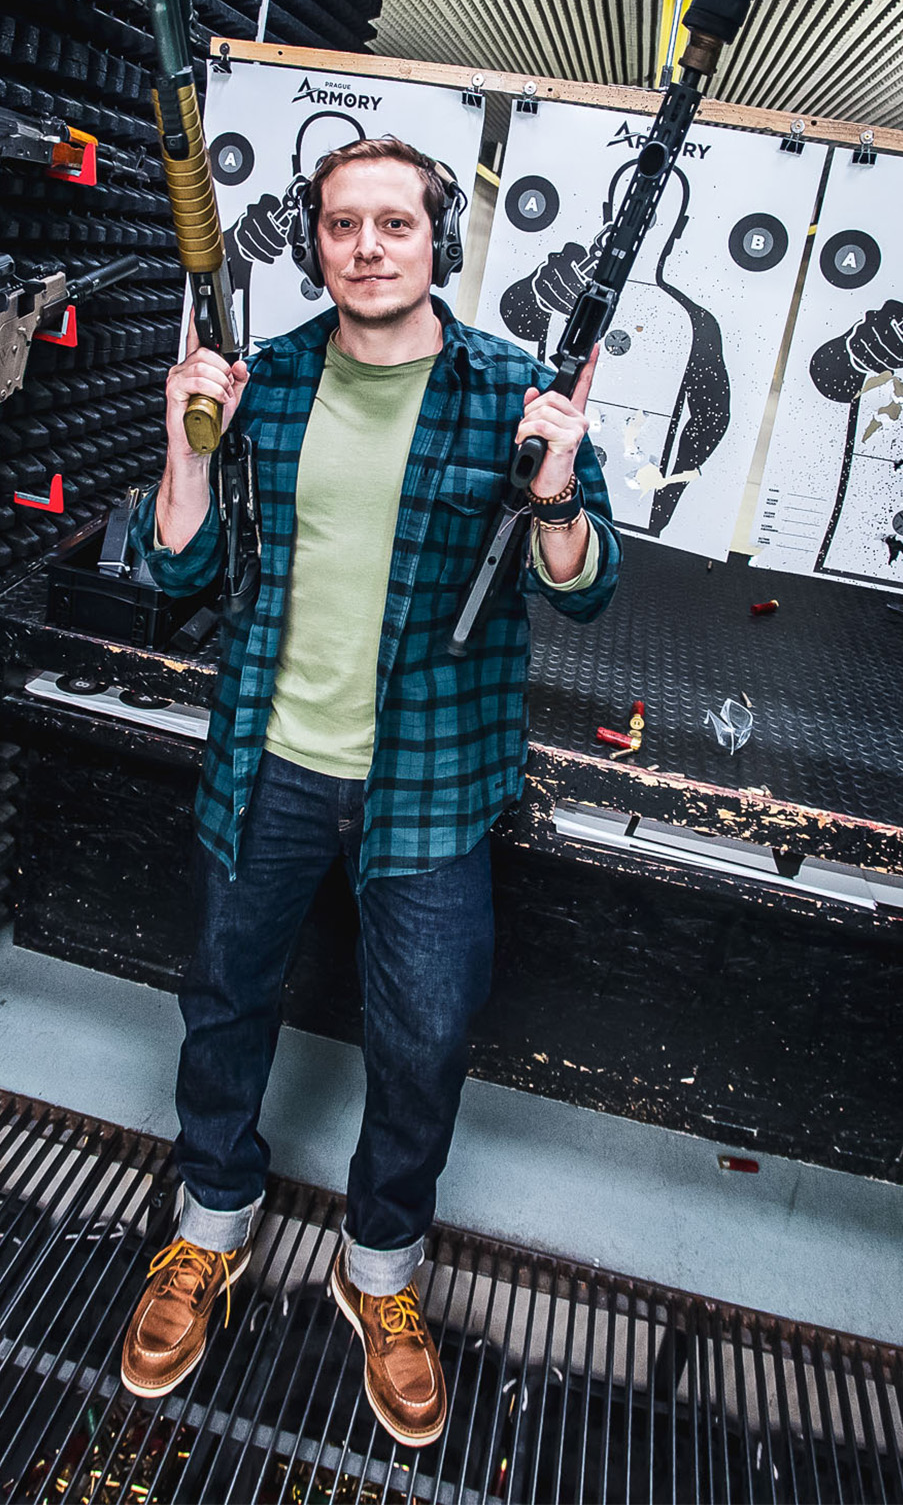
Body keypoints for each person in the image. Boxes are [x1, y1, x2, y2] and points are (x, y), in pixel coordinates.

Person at [116, 134, 619, 1447]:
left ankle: (379, 1270)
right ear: (316, 244)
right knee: (225, 999)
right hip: (269, 764)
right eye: (344, 224)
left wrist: (555, 488)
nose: (369, 247)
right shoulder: (268, 381)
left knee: (425, 1037)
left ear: (437, 242)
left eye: (396, 223)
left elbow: (584, 586)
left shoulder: (513, 392)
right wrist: (184, 449)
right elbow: (181, 574)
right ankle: (210, 1228)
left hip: (431, 785)